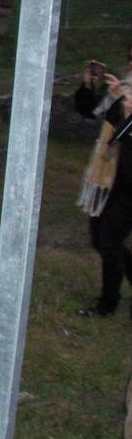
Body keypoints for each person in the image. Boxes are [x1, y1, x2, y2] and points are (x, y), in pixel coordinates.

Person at [73, 45, 132, 317]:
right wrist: (89, 85)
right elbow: (91, 111)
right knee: (100, 240)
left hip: (129, 183)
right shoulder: (123, 89)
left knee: (110, 241)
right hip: (107, 176)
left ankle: (106, 305)